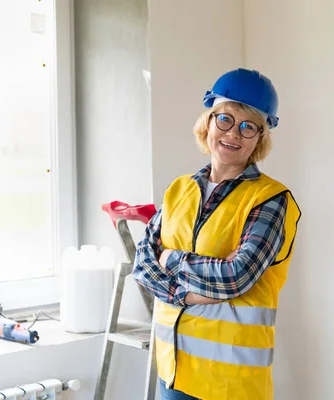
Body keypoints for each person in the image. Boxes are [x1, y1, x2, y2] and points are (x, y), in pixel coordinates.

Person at [132, 68, 302, 400]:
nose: (233, 134)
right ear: (208, 122)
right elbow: (143, 265)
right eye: (225, 118)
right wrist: (187, 293)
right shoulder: (178, 190)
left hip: (231, 385)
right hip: (174, 373)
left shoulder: (270, 199)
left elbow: (235, 277)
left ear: (259, 138)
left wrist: (172, 259)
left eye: (248, 126)